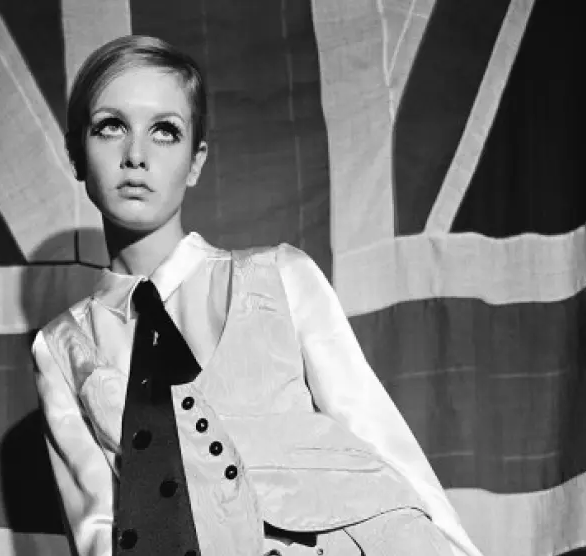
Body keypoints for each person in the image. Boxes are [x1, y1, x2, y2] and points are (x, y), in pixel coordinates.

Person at [31, 35, 482, 556]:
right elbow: (100, 527)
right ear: (76, 154)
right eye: (111, 127)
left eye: (165, 131)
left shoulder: (281, 275)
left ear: (196, 161)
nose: (136, 156)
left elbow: (378, 433)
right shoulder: (61, 348)